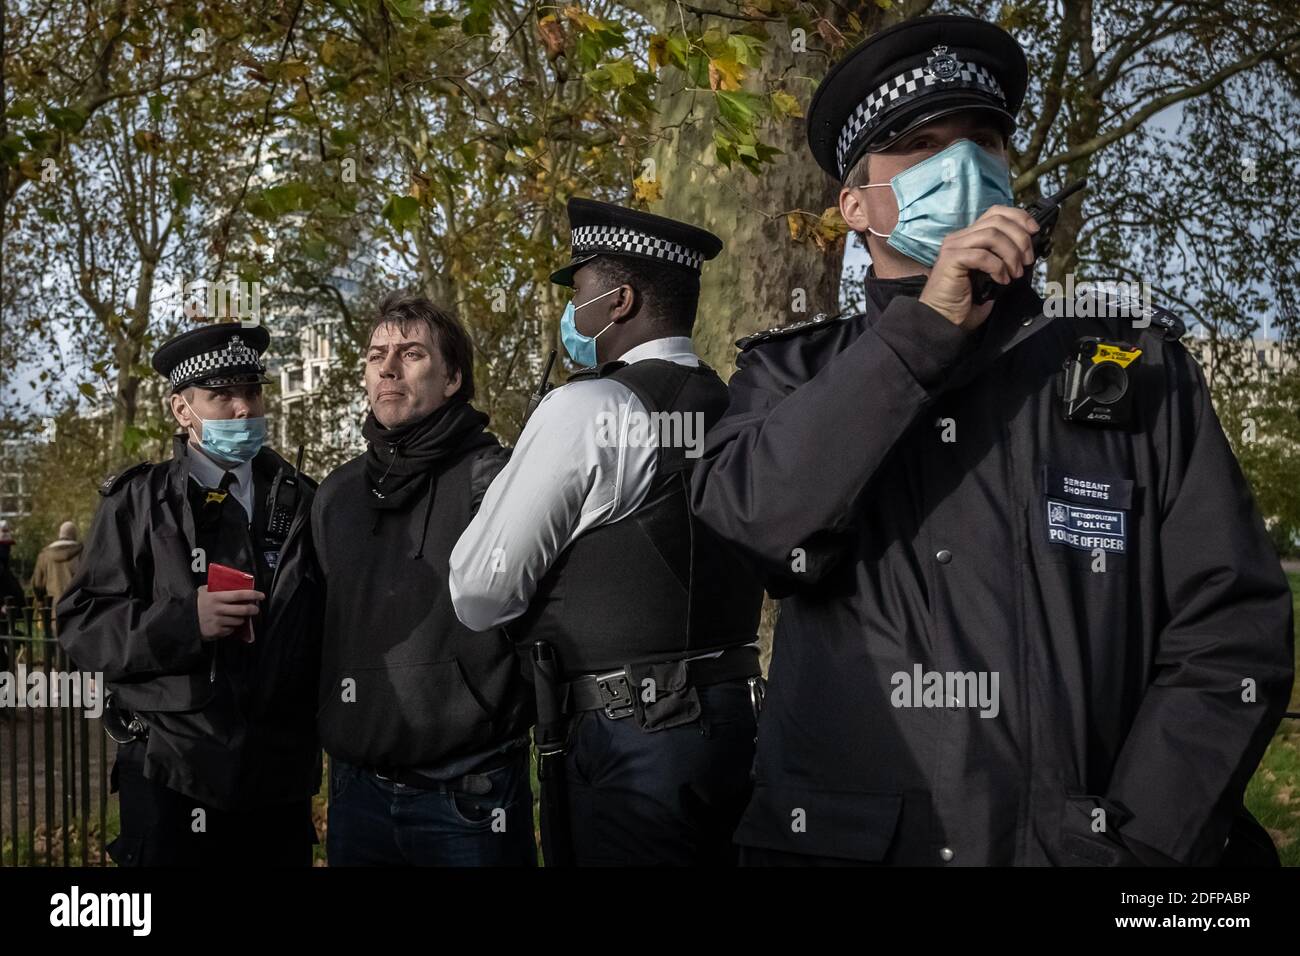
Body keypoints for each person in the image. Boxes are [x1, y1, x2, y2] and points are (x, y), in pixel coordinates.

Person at [690, 14, 1295, 866]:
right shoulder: (794, 376)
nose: (961, 166)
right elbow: (751, 518)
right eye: (922, 145)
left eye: (982, 139)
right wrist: (923, 332)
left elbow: (1230, 632)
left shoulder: (1130, 366)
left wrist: (1136, 848)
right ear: (857, 206)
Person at [450, 199, 766, 866]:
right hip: (734, 723)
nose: (571, 312)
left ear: (619, 301)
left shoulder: (589, 407)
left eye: (582, 292)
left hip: (626, 739)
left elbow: (480, 592)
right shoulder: (736, 404)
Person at [58, 323, 322, 866]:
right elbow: (83, 626)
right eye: (221, 395)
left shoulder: (304, 500)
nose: (243, 408)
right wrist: (185, 621)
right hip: (171, 776)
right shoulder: (136, 502)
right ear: (183, 411)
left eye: (251, 391)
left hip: (277, 781)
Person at [313, 293, 534, 867]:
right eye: (376, 355)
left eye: (410, 354)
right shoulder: (333, 496)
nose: (388, 368)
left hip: (468, 797)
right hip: (356, 793)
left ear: (453, 377)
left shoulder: (496, 480)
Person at [32, 521, 83, 612]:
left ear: (60, 534)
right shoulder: (82, 553)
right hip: (77, 607)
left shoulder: (45, 556)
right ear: (75, 535)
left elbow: (37, 584)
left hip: (52, 609)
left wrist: (40, 603)